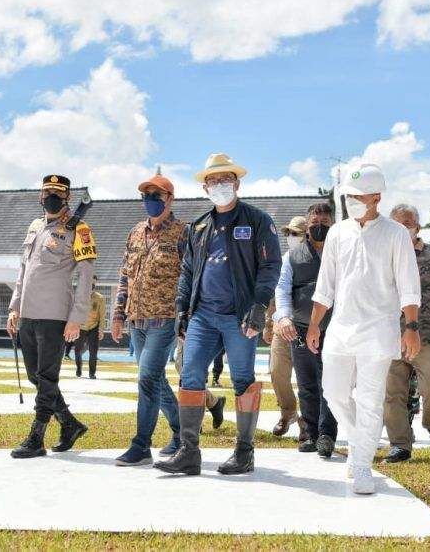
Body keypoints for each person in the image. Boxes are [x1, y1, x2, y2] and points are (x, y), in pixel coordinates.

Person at [307, 162, 429, 495]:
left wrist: (411, 327)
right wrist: (315, 324)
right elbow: (325, 285)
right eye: (348, 196)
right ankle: (359, 441)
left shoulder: (396, 234)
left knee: (370, 399)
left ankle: (362, 463)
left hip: (378, 328)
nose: (352, 202)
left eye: (359, 196)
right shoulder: (337, 232)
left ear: (377, 197)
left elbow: (408, 285)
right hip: (341, 328)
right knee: (333, 392)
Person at [155, 153, 281, 476]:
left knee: (242, 379)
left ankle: (244, 452)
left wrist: (259, 305)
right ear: (205, 188)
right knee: (190, 374)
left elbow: (270, 266)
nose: (219, 185)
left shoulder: (257, 221)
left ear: (237, 184)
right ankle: (189, 452)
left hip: (240, 316)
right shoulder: (198, 227)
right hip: (203, 316)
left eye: (225, 179)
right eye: (213, 181)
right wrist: (182, 308)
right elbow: (187, 270)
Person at [111, 173, 208, 467]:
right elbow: (125, 275)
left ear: (170, 199)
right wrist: (117, 313)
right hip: (137, 320)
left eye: (157, 196)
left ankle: (141, 445)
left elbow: (193, 276)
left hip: (165, 319)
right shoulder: (135, 232)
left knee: (147, 379)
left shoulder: (183, 233)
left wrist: (187, 316)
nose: (151, 201)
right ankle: (181, 432)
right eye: (146, 196)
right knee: (155, 379)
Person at [6, 174, 97, 459]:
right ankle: (69, 424)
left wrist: (76, 317)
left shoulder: (79, 229)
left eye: (58, 193)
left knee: (47, 377)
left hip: (55, 315)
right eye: (47, 192)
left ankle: (37, 437)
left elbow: (86, 276)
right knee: (35, 376)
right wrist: (14, 307)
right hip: (27, 313)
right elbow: (24, 270)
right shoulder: (35, 226)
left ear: (68, 198)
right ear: (40, 196)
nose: (52, 197)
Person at [382, 203, 430, 463]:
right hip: (392, 336)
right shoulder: (383, 255)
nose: (403, 229)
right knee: (392, 393)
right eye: (398, 224)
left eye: (408, 224)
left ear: (418, 227)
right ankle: (400, 444)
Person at [273, 203, 337, 456]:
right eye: (314, 223)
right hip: (300, 328)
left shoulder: (342, 253)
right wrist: (283, 317)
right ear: (308, 226)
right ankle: (310, 434)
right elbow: (282, 288)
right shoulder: (291, 256)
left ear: (333, 225)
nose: (319, 227)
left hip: (334, 328)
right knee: (307, 383)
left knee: (330, 383)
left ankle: (327, 435)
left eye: (324, 223)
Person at [264, 216, 306, 438]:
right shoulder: (283, 260)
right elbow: (274, 295)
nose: (291, 237)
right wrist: (268, 324)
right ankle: (288, 412)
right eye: (288, 233)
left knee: (306, 377)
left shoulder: (319, 260)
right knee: (277, 371)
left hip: (306, 326)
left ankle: (307, 421)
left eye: (295, 233)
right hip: (282, 324)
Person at [73, 277, 106, 378]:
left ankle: (92, 373)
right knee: (77, 350)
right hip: (81, 327)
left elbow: (102, 315)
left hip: (93, 327)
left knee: (93, 351)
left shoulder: (100, 298)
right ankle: (79, 368)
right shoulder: (78, 297)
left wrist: (101, 329)